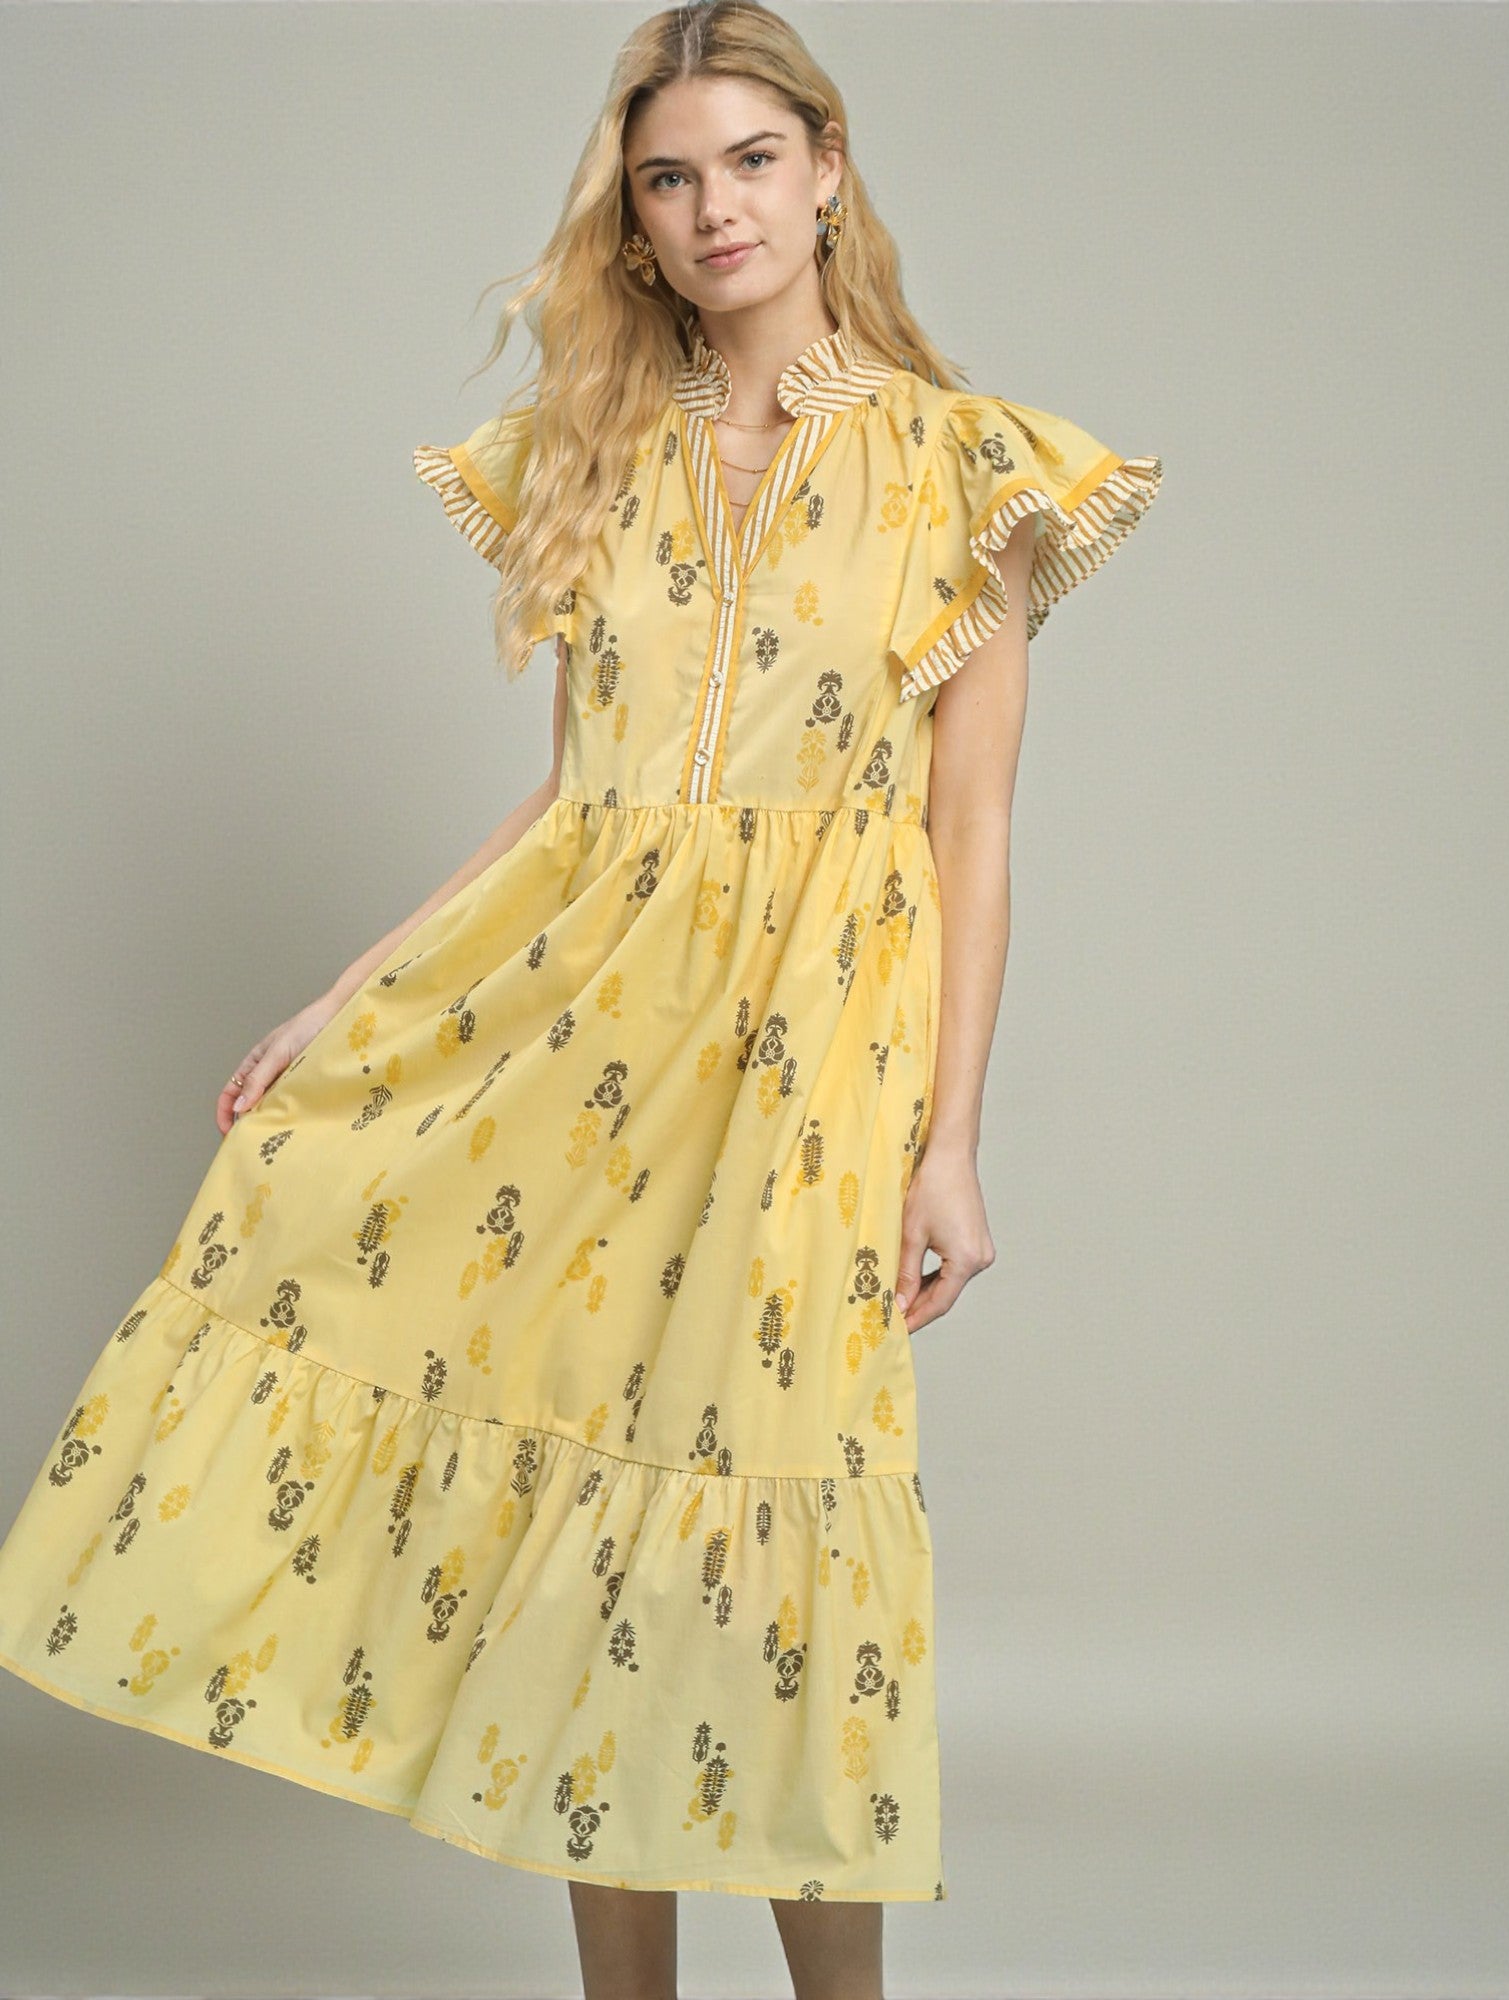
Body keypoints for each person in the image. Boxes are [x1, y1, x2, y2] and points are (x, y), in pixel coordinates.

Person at [0, 3, 1161, 1995]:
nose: (712, 207)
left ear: (825, 171)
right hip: (580, 1048)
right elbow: (578, 795)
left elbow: (968, 835)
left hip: (811, 1062)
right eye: (666, 177)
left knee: (767, 1539)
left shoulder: (973, 472)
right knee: (577, 1533)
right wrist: (342, 1000)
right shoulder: (588, 463)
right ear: (632, 221)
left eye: (746, 162)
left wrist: (947, 1140)